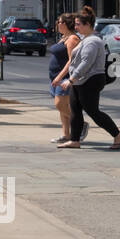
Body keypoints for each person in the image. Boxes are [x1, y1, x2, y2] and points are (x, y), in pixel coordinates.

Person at [58, 6, 120, 150]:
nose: (75, 27)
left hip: (91, 80)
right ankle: (74, 140)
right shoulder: (85, 39)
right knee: (75, 110)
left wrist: (71, 79)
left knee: (93, 111)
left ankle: (117, 135)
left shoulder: (93, 41)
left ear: (88, 25)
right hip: (81, 81)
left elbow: (86, 63)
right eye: (75, 24)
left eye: (78, 24)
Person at [47, 13, 84, 144]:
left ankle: (80, 124)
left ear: (66, 24)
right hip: (56, 77)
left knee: (60, 105)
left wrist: (59, 76)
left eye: (60, 22)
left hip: (65, 78)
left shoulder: (72, 39)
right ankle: (66, 135)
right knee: (62, 109)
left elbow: (71, 61)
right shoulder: (64, 38)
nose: (57, 24)